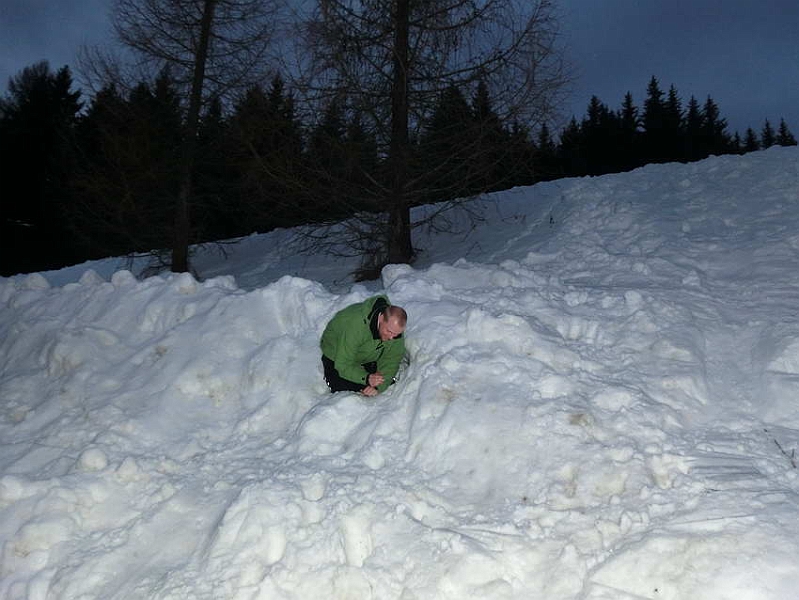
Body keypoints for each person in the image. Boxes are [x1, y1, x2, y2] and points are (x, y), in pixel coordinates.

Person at [320, 295, 407, 397]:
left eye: (396, 334)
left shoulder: (394, 329)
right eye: (389, 331)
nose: (392, 337)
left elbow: (392, 360)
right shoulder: (355, 324)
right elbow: (343, 363)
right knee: (342, 388)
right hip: (337, 354)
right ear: (381, 318)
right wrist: (366, 378)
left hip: (367, 354)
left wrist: (378, 386)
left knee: (379, 382)